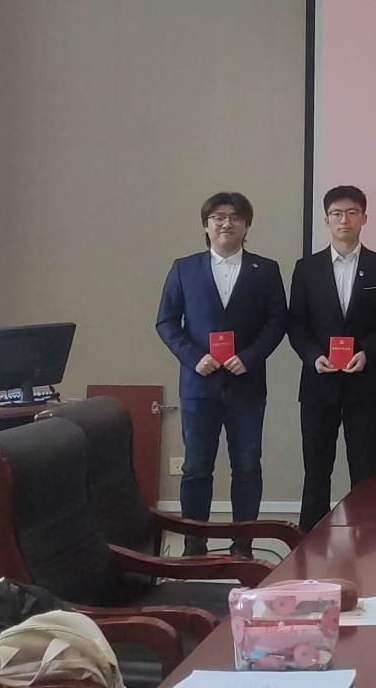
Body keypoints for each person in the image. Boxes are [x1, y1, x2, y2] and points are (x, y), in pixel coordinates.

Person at [156, 191, 286, 556]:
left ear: (246, 226)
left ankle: (242, 546)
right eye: (218, 217)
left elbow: (277, 321)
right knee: (196, 467)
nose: (226, 223)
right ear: (206, 225)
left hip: (247, 384)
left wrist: (250, 357)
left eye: (235, 217)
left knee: (247, 466)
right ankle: (194, 545)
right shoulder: (184, 268)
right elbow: (167, 322)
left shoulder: (266, 270)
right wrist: (193, 358)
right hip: (199, 384)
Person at [287, 185, 376, 531]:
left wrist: (367, 351)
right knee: (316, 469)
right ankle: (309, 541)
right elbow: (296, 324)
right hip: (318, 383)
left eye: (352, 212)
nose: (344, 220)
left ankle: (367, 541)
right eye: (336, 213)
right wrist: (313, 356)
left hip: (365, 382)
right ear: (326, 220)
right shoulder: (306, 268)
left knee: (365, 470)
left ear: (364, 218)